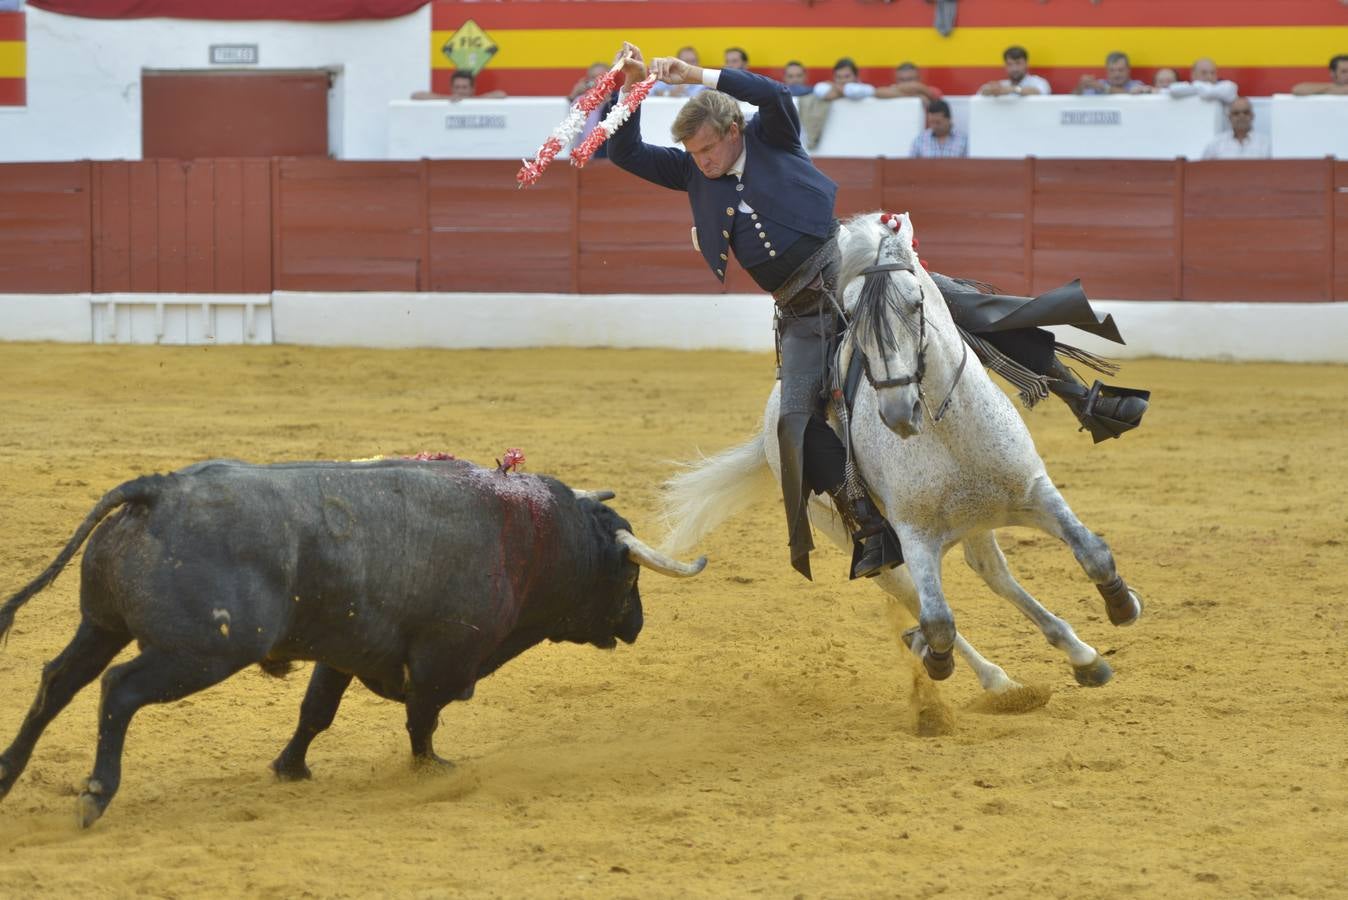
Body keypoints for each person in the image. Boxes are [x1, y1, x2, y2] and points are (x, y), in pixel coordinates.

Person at [604, 43, 1148, 581]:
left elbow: (772, 92)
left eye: (707, 149)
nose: (702, 162)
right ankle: (867, 523)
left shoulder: (773, 134)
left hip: (850, 266)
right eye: (694, 154)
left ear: (732, 132)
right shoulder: (694, 175)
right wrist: (628, 88)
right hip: (800, 311)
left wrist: (696, 73)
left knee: (968, 309)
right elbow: (624, 153)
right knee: (793, 420)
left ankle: (1084, 398)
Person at [1201, 97, 1270, 159]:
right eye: (1236, 113)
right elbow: (1203, 169)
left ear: (1252, 116)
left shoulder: (1266, 143)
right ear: (1229, 117)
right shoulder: (1216, 144)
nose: (1241, 116)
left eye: (1246, 112)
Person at [978, 46, 1051, 97]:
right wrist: (990, 91)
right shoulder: (1002, 85)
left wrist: (1014, 89)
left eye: (1018, 63)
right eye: (1010, 64)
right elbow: (982, 92)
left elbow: (1040, 92)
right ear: (1005, 66)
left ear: (1026, 64)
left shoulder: (1038, 82)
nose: (1014, 68)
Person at [1074, 52, 1150, 95]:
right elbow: (1073, 100)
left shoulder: (1136, 85)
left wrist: (1104, 88)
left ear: (1128, 70)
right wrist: (1081, 87)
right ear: (1107, 71)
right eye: (1112, 70)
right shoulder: (1099, 84)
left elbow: (1128, 94)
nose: (1116, 74)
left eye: (1120, 70)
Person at [1168, 58, 1238, 103]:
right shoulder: (1186, 87)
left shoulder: (1227, 87)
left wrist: (1197, 87)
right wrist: (1199, 88)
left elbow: (1208, 93)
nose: (1209, 77)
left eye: (1212, 73)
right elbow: (1173, 90)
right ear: (1193, 75)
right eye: (1204, 73)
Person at [411, 70, 506, 101]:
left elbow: (501, 94)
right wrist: (448, 99)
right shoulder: (445, 101)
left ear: (472, 89)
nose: (460, 91)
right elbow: (415, 96)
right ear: (451, 88)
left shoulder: (478, 102)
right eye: (457, 87)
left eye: (464, 87)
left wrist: (470, 101)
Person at [875, 61, 940, 105]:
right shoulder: (891, 89)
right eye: (902, 80)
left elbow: (916, 87)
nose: (906, 84)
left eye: (910, 79)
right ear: (896, 80)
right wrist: (914, 97)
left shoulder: (930, 91)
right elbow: (877, 92)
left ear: (919, 79)